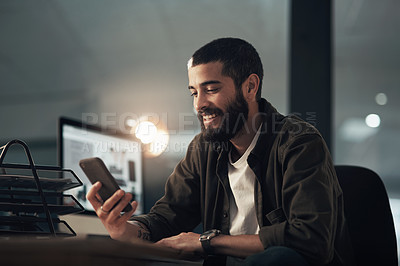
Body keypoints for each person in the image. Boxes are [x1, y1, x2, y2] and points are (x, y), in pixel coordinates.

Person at [87, 38, 353, 266]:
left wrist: (207, 242)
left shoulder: (298, 142)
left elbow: (311, 240)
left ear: (250, 87)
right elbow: (166, 218)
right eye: (194, 93)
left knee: (275, 260)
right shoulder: (203, 148)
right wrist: (126, 230)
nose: (200, 104)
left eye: (211, 89)